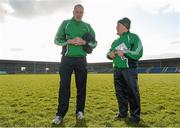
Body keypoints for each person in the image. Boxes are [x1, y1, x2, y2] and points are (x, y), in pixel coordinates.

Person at [52, 4, 97, 125]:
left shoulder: (87, 26)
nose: (78, 14)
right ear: (73, 12)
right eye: (77, 12)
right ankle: (60, 114)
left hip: (81, 60)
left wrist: (84, 41)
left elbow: (94, 43)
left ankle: (80, 111)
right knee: (64, 87)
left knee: (81, 87)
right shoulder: (65, 23)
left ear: (83, 13)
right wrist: (69, 41)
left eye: (81, 12)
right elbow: (56, 40)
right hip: (67, 59)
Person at [107, 17, 143, 123]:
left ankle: (135, 116)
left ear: (125, 26)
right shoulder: (115, 41)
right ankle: (123, 113)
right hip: (117, 70)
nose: (116, 27)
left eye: (118, 25)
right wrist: (111, 55)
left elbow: (139, 52)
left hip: (129, 69)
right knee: (120, 93)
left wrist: (125, 52)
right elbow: (109, 53)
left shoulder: (134, 37)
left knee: (132, 92)